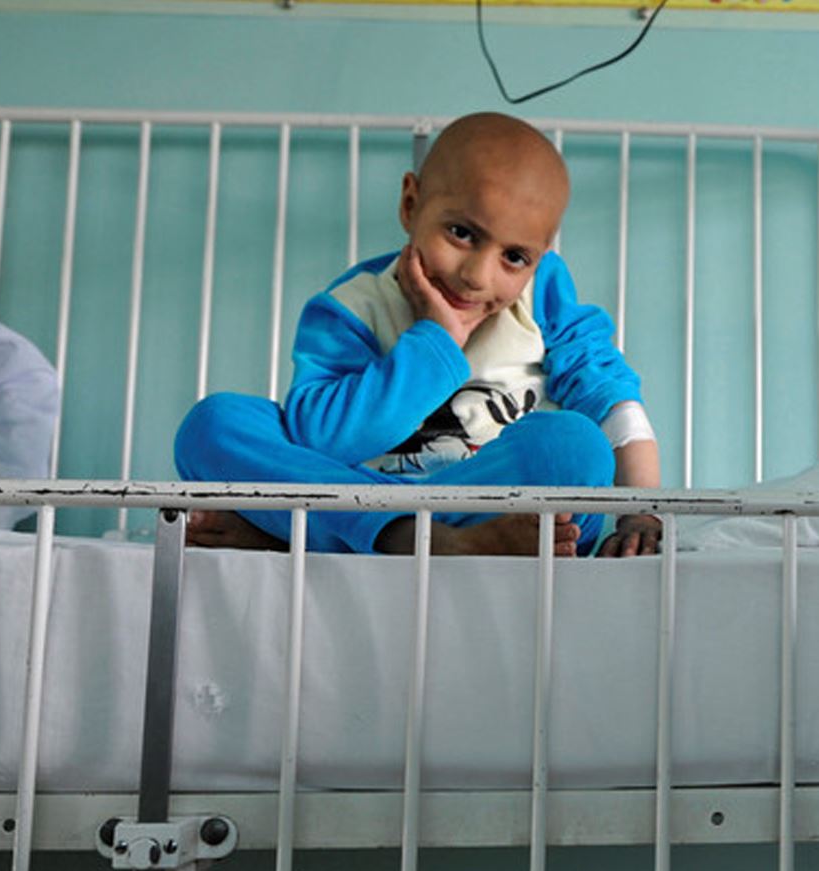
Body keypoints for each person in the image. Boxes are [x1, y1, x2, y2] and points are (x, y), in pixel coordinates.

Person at [174, 112, 661, 557]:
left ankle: (319, 538)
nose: (476, 275)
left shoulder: (544, 293)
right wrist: (436, 343)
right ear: (411, 204)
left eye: (514, 257)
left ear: (541, 255)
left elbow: (612, 399)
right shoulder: (352, 306)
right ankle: (410, 537)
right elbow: (320, 440)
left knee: (576, 445)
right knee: (214, 424)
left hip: (497, 501)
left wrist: (642, 513)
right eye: (462, 234)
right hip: (364, 494)